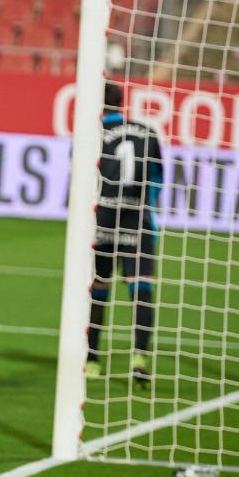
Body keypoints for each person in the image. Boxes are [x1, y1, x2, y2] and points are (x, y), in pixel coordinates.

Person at [86, 81, 164, 386]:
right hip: (139, 220)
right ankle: (140, 360)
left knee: (99, 288)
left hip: (103, 220)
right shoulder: (148, 132)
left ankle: (92, 360)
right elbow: (158, 178)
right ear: (122, 103)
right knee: (140, 287)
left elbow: (82, 177)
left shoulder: (91, 134)